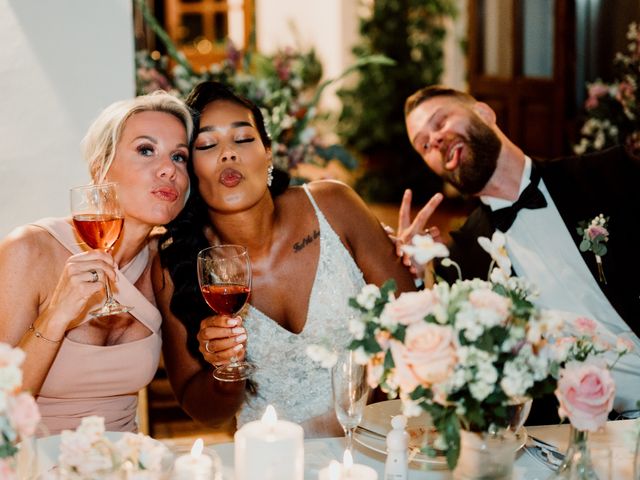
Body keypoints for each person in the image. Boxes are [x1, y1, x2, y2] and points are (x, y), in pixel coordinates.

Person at [154, 81, 415, 438]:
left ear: (269, 154)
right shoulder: (177, 266)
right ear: (190, 170)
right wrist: (226, 369)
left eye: (243, 139)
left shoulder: (335, 206)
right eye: (207, 144)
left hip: (378, 444)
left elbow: (413, 323)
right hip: (272, 461)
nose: (228, 154)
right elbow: (206, 414)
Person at [398, 84, 640, 416]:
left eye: (440, 122)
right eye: (424, 144)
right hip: (578, 436)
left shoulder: (608, 175)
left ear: (484, 114)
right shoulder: (461, 262)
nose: (435, 141)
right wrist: (410, 277)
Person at [0, 92, 193, 434]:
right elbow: (4, 405)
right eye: (146, 150)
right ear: (100, 167)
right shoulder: (29, 250)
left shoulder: (165, 265)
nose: (169, 169)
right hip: (31, 460)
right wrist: (57, 315)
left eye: (179, 157)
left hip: (126, 463)